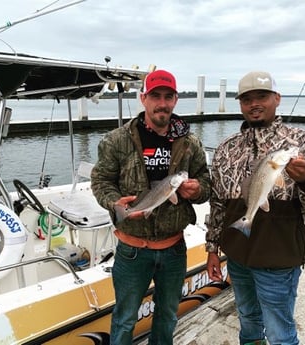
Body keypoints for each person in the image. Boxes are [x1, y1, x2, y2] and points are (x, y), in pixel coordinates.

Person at [206, 71, 305, 345]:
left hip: (279, 259)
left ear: (277, 99)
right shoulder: (226, 149)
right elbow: (217, 204)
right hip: (237, 255)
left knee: (280, 331)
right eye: (247, 99)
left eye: (262, 96)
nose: (254, 103)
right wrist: (213, 248)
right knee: (248, 320)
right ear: (241, 104)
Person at [91, 69, 211, 345]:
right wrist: (113, 202)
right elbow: (101, 180)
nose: (162, 103)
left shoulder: (190, 143)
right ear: (143, 98)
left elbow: (205, 182)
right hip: (132, 251)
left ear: (176, 100)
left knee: (168, 315)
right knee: (124, 319)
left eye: (168, 97)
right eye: (155, 96)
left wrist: (197, 189)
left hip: (174, 249)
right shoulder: (117, 140)